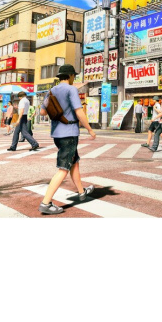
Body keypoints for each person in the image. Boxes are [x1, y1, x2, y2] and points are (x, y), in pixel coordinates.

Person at [38, 64, 96, 215]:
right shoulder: (71, 89)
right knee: (64, 168)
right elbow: (79, 112)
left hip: (57, 134)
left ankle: (81, 192)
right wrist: (90, 129)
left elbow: (43, 112)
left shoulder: (51, 91)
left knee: (74, 162)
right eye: (73, 76)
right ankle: (45, 203)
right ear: (70, 76)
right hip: (69, 133)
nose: (73, 78)